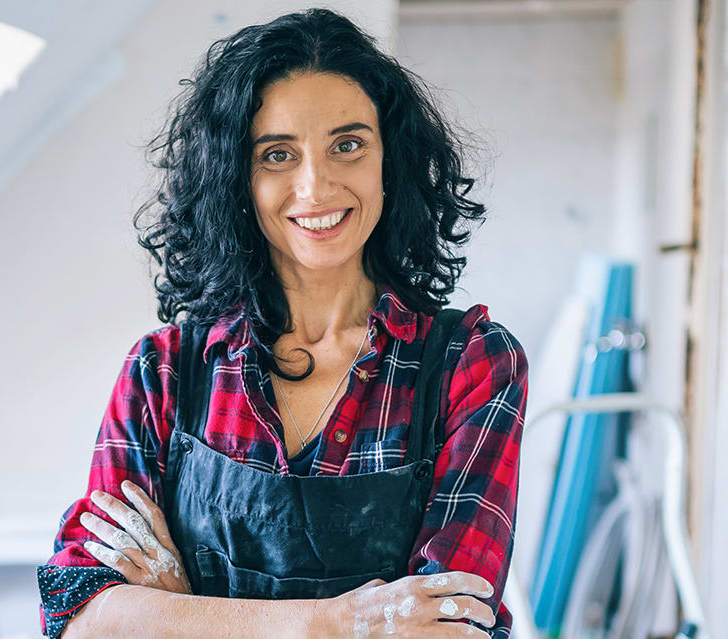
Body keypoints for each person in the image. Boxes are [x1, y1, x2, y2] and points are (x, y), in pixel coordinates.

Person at [36, 8, 527, 639]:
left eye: (347, 145)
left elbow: (453, 628)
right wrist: (338, 622)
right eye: (277, 155)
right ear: (236, 180)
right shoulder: (162, 370)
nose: (315, 186)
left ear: (390, 162)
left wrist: (183, 612)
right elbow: (80, 621)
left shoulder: (471, 365)